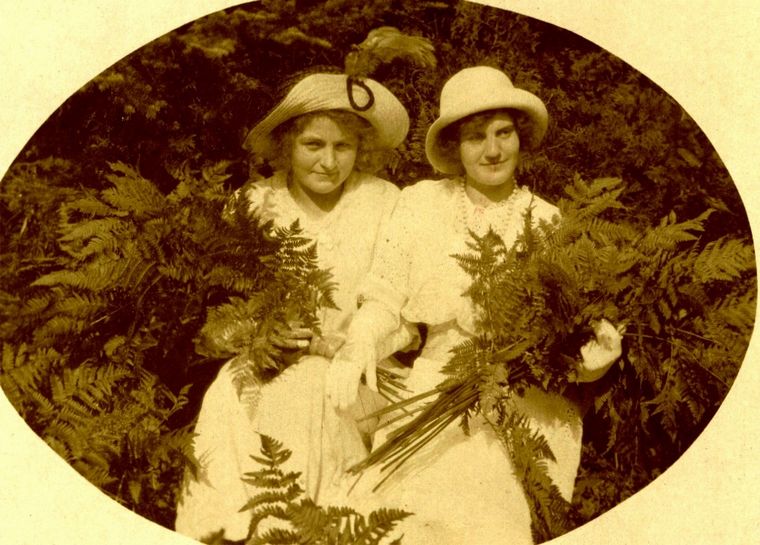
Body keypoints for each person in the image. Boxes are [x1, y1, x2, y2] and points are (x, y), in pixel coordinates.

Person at [326, 66, 623, 544]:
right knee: (394, 512)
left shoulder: (548, 220)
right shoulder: (421, 204)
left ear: (520, 137)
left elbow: (569, 334)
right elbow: (386, 297)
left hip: (521, 399)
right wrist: (360, 341)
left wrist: (592, 358)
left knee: (486, 511)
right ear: (453, 148)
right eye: (475, 137)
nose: (492, 150)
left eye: (503, 133)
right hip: (434, 383)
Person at [175, 72, 417, 543]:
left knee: (309, 389)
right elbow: (221, 315)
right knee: (243, 396)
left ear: (360, 149)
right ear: (286, 145)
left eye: (343, 147)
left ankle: (303, 527)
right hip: (265, 368)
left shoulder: (386, 202)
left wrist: (348, 346)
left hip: (363, 375)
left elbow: (403, 315)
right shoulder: (253, 203)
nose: (328, 162)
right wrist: (259, 336)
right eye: (313, 144)